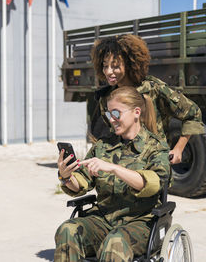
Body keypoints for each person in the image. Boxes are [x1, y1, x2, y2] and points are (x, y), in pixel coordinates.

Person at [54, 86, 170, 262]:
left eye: (116, 113)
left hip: (140, 222)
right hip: (103, 219)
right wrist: (67, 177)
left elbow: (154, 184)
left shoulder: (156, 147)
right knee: (67, 230)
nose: (112, 120)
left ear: (136, 112)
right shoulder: (103, 146)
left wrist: (114, 168)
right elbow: (82, 182)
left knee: (115, 241)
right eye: (109, 115)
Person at [90, 34, 204, 164]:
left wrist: (178, 149)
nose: (109, 72)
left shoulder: (153, 89)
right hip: (123, 170)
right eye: (105, 66)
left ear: (129, 64)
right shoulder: (106, 97)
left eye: (115, 66)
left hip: (154, 167)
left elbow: (193, 113)